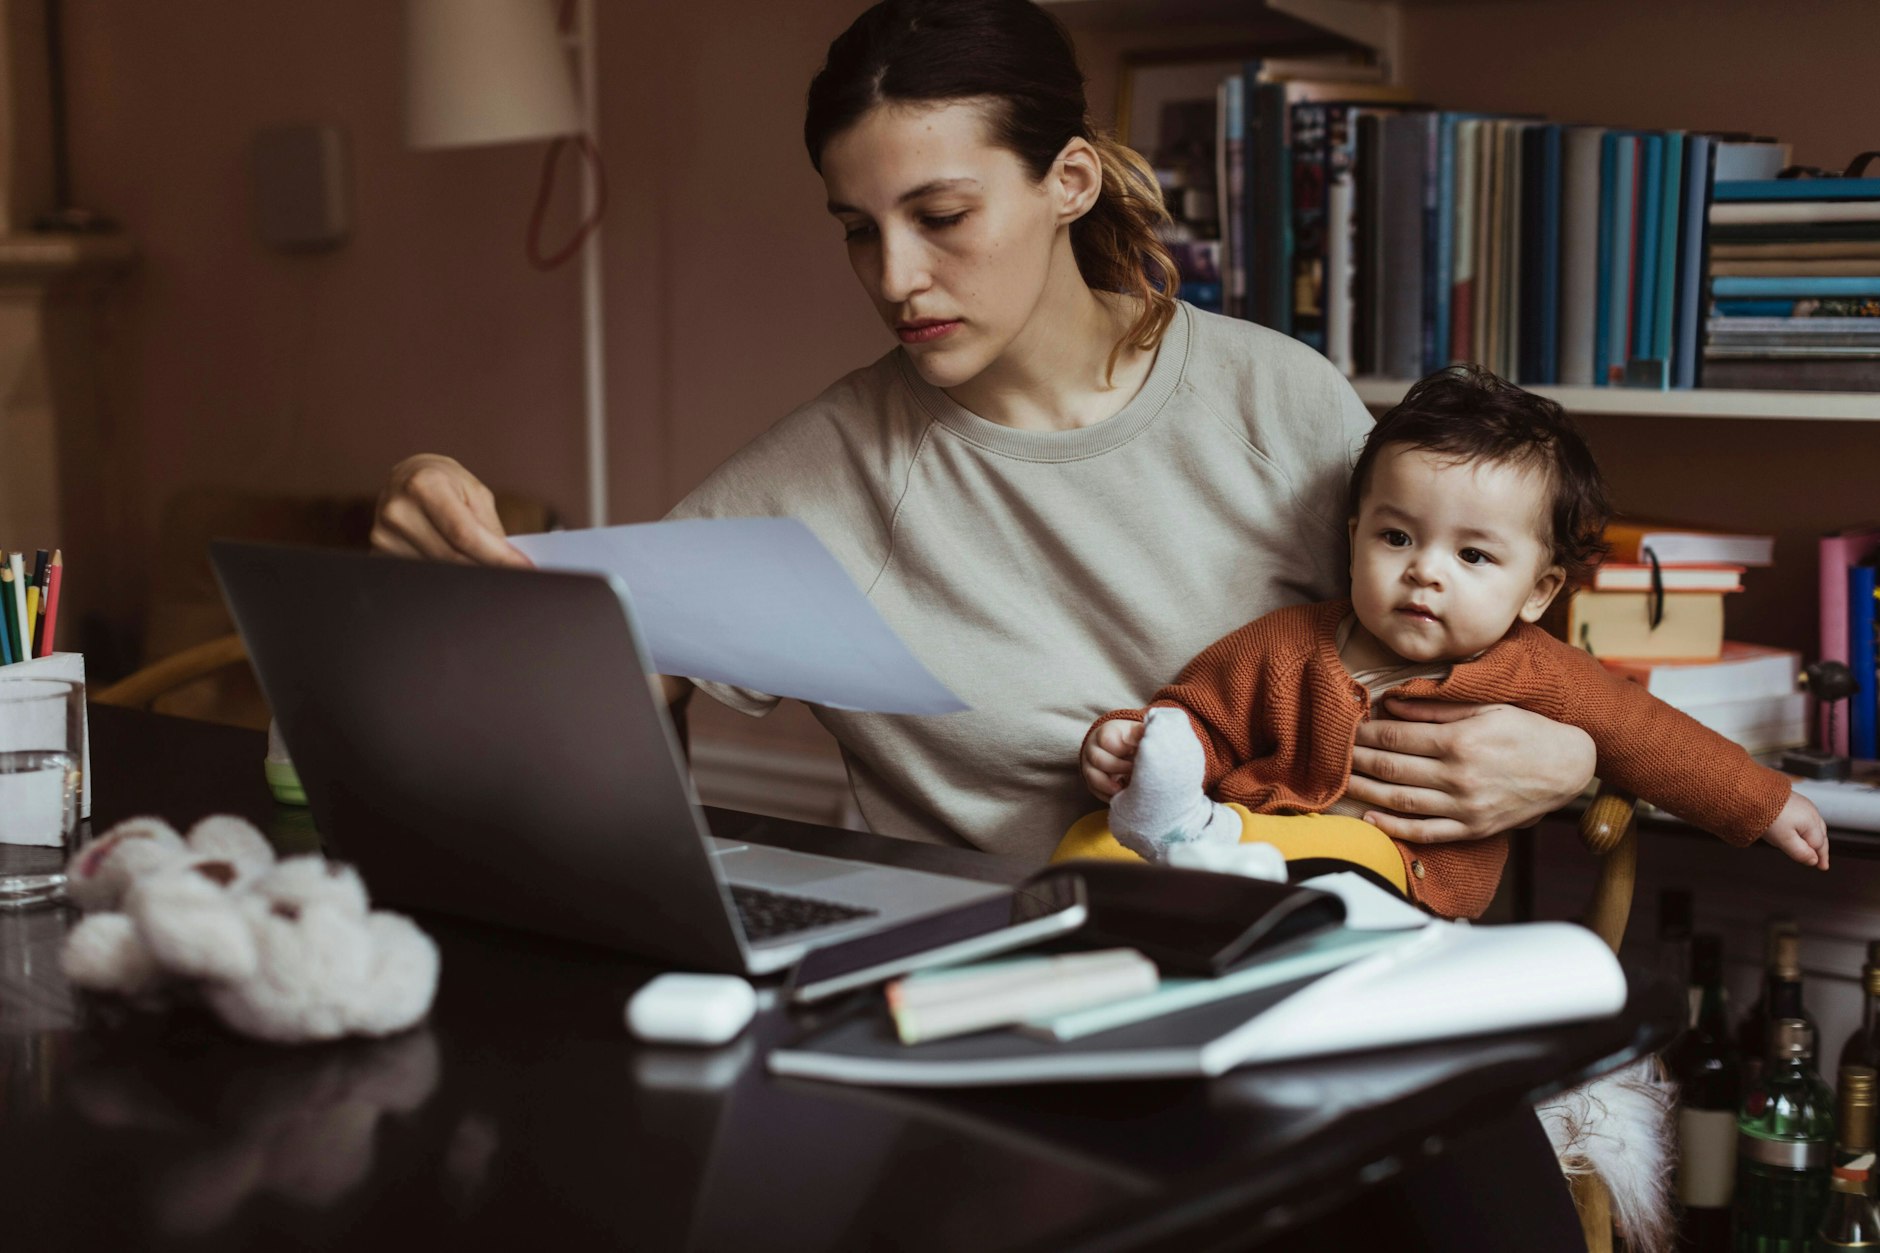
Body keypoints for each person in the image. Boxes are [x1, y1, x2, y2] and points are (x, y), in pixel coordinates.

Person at [370, 0, 1599, 865]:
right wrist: (446, 538)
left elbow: (1463, 642)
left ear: (1068, 179)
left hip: (1298, 963)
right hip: (963, 989)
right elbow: (604, 676)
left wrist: (1569, 758)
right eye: (858, 227)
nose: (895, 274)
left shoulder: (1275, 400)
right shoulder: (829, 465)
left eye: (940, 214)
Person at [1072, 366, 1830, 918]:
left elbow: (1651, 736)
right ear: (1353, 537)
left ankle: (1212, 869)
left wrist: (1765, 803)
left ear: (1538, 591)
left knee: (1348, 857)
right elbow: (1200, 715)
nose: (1424, 572)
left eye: (1472, 555)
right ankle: (1177, 856)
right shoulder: (1289, 643)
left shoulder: (1539, 672)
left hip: (1397, 880)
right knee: (1086, 844)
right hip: (1242, 841)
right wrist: (1136, 747)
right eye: (1397, 536)